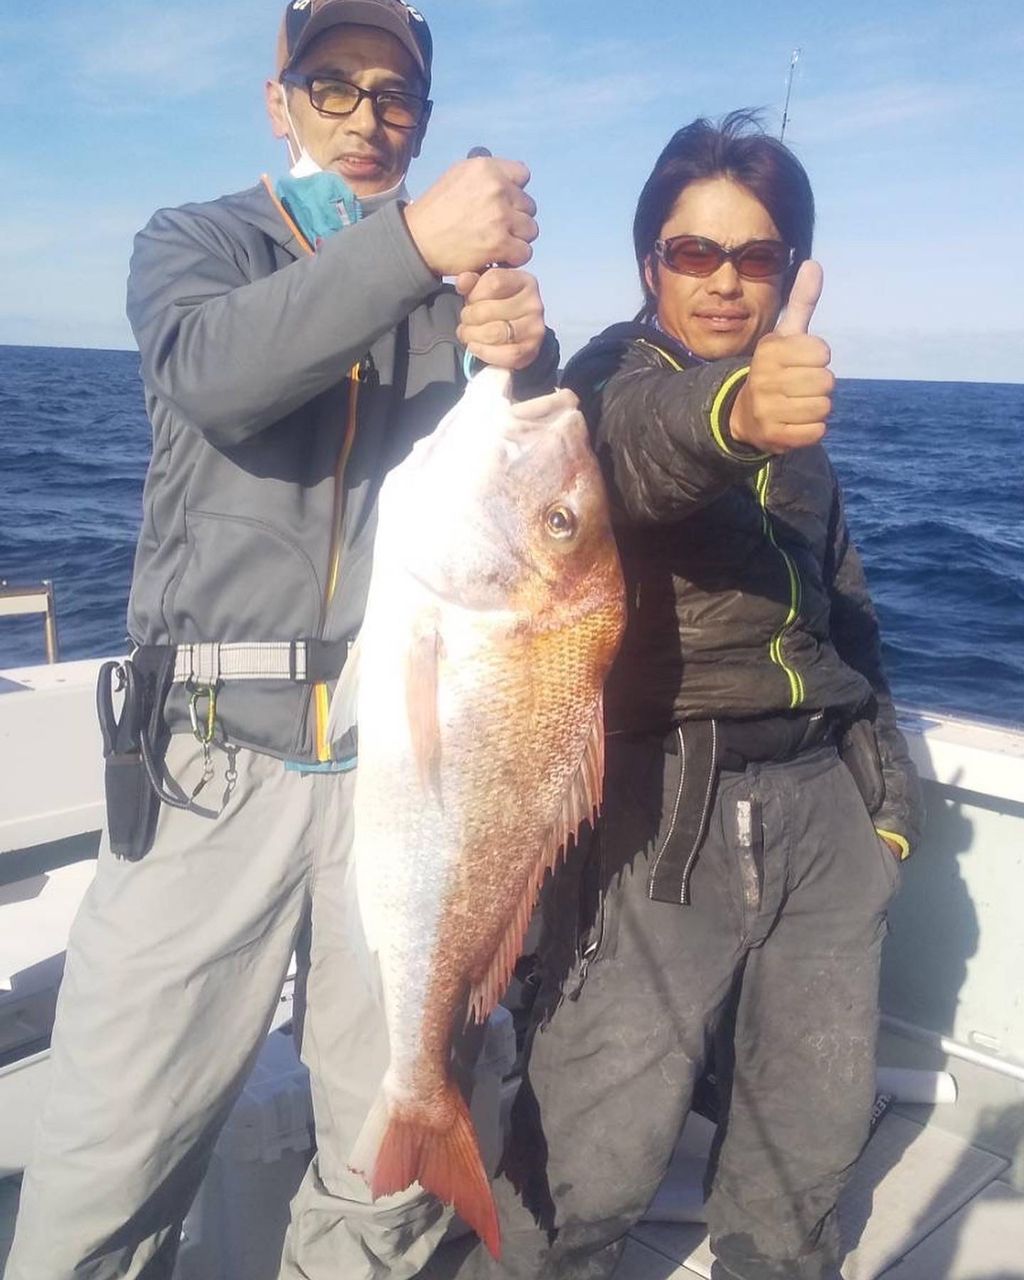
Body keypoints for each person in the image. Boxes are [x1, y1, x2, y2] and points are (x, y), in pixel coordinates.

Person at [4, 2, 559, 1278]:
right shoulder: (196, 243)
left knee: (385, 1163)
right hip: (209, 765)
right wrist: (415, 243)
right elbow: (214, 372)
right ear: (280, 99)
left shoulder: (454, 295)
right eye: (332, 85)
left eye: (397, 96)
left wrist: (522, 358)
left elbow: (535, 514)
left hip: (399, 774)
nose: (367, 119)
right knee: (111, 1151)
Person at [428, 112, 923, 1280]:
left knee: (803, 1153)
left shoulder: (803, 431)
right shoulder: (596, 393)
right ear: (649, 261)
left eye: (755, 256)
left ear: (792, 267)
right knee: (585, 1169)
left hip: (824, 817)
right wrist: (737, 415)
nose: (722, 281)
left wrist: (886, 813)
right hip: (663, 823)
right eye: (692, 252)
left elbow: (850, 624)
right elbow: (643, 451)